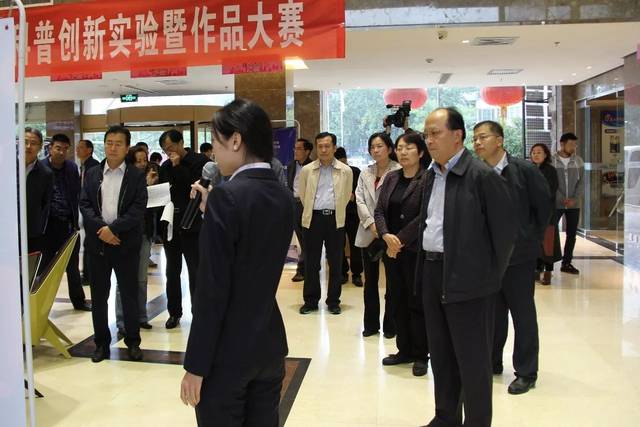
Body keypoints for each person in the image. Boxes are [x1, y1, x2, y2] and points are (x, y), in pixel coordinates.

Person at [180, 99, 294, 426]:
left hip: (227, 351)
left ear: (235, 140)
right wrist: (213, 212)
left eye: (216, 142)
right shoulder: (284, 196)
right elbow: (253, 249)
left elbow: (212, 290)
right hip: (269, 343)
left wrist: (196, 365)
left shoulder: (226, 196)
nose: (213, 153)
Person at [418, 108, 517, 427]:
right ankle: (445, 417)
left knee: (473, 362)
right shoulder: (431, 174)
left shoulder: (482, 176)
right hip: (434, 273)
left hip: (470, 281)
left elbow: (505, 236)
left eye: (436, 133)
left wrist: (486, 280)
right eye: (426, 135)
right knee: (442, 356)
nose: (429, 140)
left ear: (457, 135)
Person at [473, 120, 551, 395]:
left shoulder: (524, 170)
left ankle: (526, 372)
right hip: (488, 257)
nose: (478, 143)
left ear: (500, 140)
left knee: (522, 314)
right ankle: (492, 361)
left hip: (519, 257)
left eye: (483, 137)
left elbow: (544, 208)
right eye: (475, 138)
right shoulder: (477, 172)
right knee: (492, 314)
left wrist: (529, 238)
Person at [80, 126, 148, 363]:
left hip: (125, 243)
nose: (113, 147)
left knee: (129, 294)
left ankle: (133, 342)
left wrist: (114, 229)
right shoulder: (92, 173)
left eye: (118, 143)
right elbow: (85, 204)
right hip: (98, 244)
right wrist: (102, 230)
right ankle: (101, 343)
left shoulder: (136, 176)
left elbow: (138, 209)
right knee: (99, 297)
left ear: (127, 147)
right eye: (109, 142)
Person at [374, 132, 431, 377]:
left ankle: (420, 354)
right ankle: (403, 350)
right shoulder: (391, 177)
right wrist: (386, 235)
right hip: (391, 251)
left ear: (421, 152)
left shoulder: (427, 178)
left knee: (416, 301)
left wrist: (400, 240)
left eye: (409, 148)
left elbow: (425, 215)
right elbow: (379, 210)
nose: (403, 152)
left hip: (414, 251)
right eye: (399, 148)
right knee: (396, 299)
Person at [159, 130, 210, 329]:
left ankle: (198, 312)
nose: (169, 152)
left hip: (193, 225)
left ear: (181, 142)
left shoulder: (199, 162)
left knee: (196, 271)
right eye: (165, 150)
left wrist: (178, 166)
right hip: (171, 225)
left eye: (171, 147)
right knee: (172, 272)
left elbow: (194, 187)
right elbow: (164, 192)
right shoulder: (165, 167)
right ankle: (174, 313)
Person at [298, 132, 353, 315]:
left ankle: (333, 301)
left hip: (335, 220)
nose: (323, 150)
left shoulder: (345, 171)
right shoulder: (307, 170)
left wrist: (335, 211)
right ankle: (311, 301)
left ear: (334, 148)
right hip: (313, 220)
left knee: (336, 263)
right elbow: (303, 194)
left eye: (327, 146)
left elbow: (346, 195)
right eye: (320, 146)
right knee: (312, 263)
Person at [355, 132, 401, 339]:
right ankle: (371, 325)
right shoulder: (366, 172)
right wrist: (371, 223)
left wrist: (381, 228)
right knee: (370, 282)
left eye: (380, 146)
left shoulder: (398, 170)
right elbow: (359, 200)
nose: (375, 150)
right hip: (368, 232)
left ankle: (391, 326)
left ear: (389, 149)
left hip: (391, 233)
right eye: (372, 147)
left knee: (392, 282)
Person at [41, 134, 91, 311]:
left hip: (68, 224)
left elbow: (76, 194)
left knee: (72, 266)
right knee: (44, 267)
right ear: (50, 148)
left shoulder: (71, 168)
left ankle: (78, 301)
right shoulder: (41, 168)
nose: (61, 152)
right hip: (47, 227)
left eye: (65, 149)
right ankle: (41, 304)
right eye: (58, 148)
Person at [114, 146, 158, 336]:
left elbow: (151, 209)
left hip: (144, 233)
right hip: (126, 235)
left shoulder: (150, 177)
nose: (142, 164)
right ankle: (122, 320)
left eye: (144, 160)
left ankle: (141, 316)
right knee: (124, 280)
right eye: (138, 161)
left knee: (141, 279)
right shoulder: (124, 180)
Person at [552, 132, 584, 275]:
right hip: (556, 204)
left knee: (572, 234)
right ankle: (547, 264)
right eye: (571, 144)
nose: (573, 147)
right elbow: (550, 182)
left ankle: (567, 263)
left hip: (573, 205)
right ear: (562, 144)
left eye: (575, 145)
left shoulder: (578, 161)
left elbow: (581, 183)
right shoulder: (551, 160)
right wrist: (560, 198)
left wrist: (574, 199)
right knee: (550, 233)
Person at [530, 143, 561, 285]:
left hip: (547, 212)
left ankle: (548, 271)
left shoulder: (550, 170)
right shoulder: (529, 169)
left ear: (545, 155)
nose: (536, 155)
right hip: (532, 213)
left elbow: (551, 190)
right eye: (533, 152)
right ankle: (537, 269)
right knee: (535, 242)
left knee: (548, 242)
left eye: (539, 152)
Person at [335, 147, 363, 286]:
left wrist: (353, 196)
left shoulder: (355, 171)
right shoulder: (333, 172)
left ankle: (357, 274)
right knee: (338, 244)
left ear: (345, 159)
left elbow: (361, 192)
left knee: (355, 244)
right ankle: (342, 272)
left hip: (353, 213)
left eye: (342, 159)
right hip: (337, 213)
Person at [286, 138, 313, 282]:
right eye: (294, 148)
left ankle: (303, 269)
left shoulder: (313, 166)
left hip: (307, 205)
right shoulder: (291, 166)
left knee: (308, 239)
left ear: (307, 151)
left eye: (298, 148)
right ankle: (306, 268)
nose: (295, 151)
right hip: (294, 204)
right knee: (301, 240)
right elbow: (290, 186)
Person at [76, 139, 100, 286]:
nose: (77, 150)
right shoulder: (83, 165)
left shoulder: (94, 166)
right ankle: (87, 274)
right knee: (87, 242)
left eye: (81, 147)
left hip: (91, 210)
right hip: (84, 208)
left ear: (89, 150)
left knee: (90, 242)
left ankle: (88, 276)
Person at [25, 128, 53, 253]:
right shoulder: (7, 167)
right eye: (25, 142)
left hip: (33, 233)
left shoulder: (46, 173)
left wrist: (40, 228)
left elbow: (46, 205)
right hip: (8, 231)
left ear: (41, 147)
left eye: (33, 143)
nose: (28, 146)